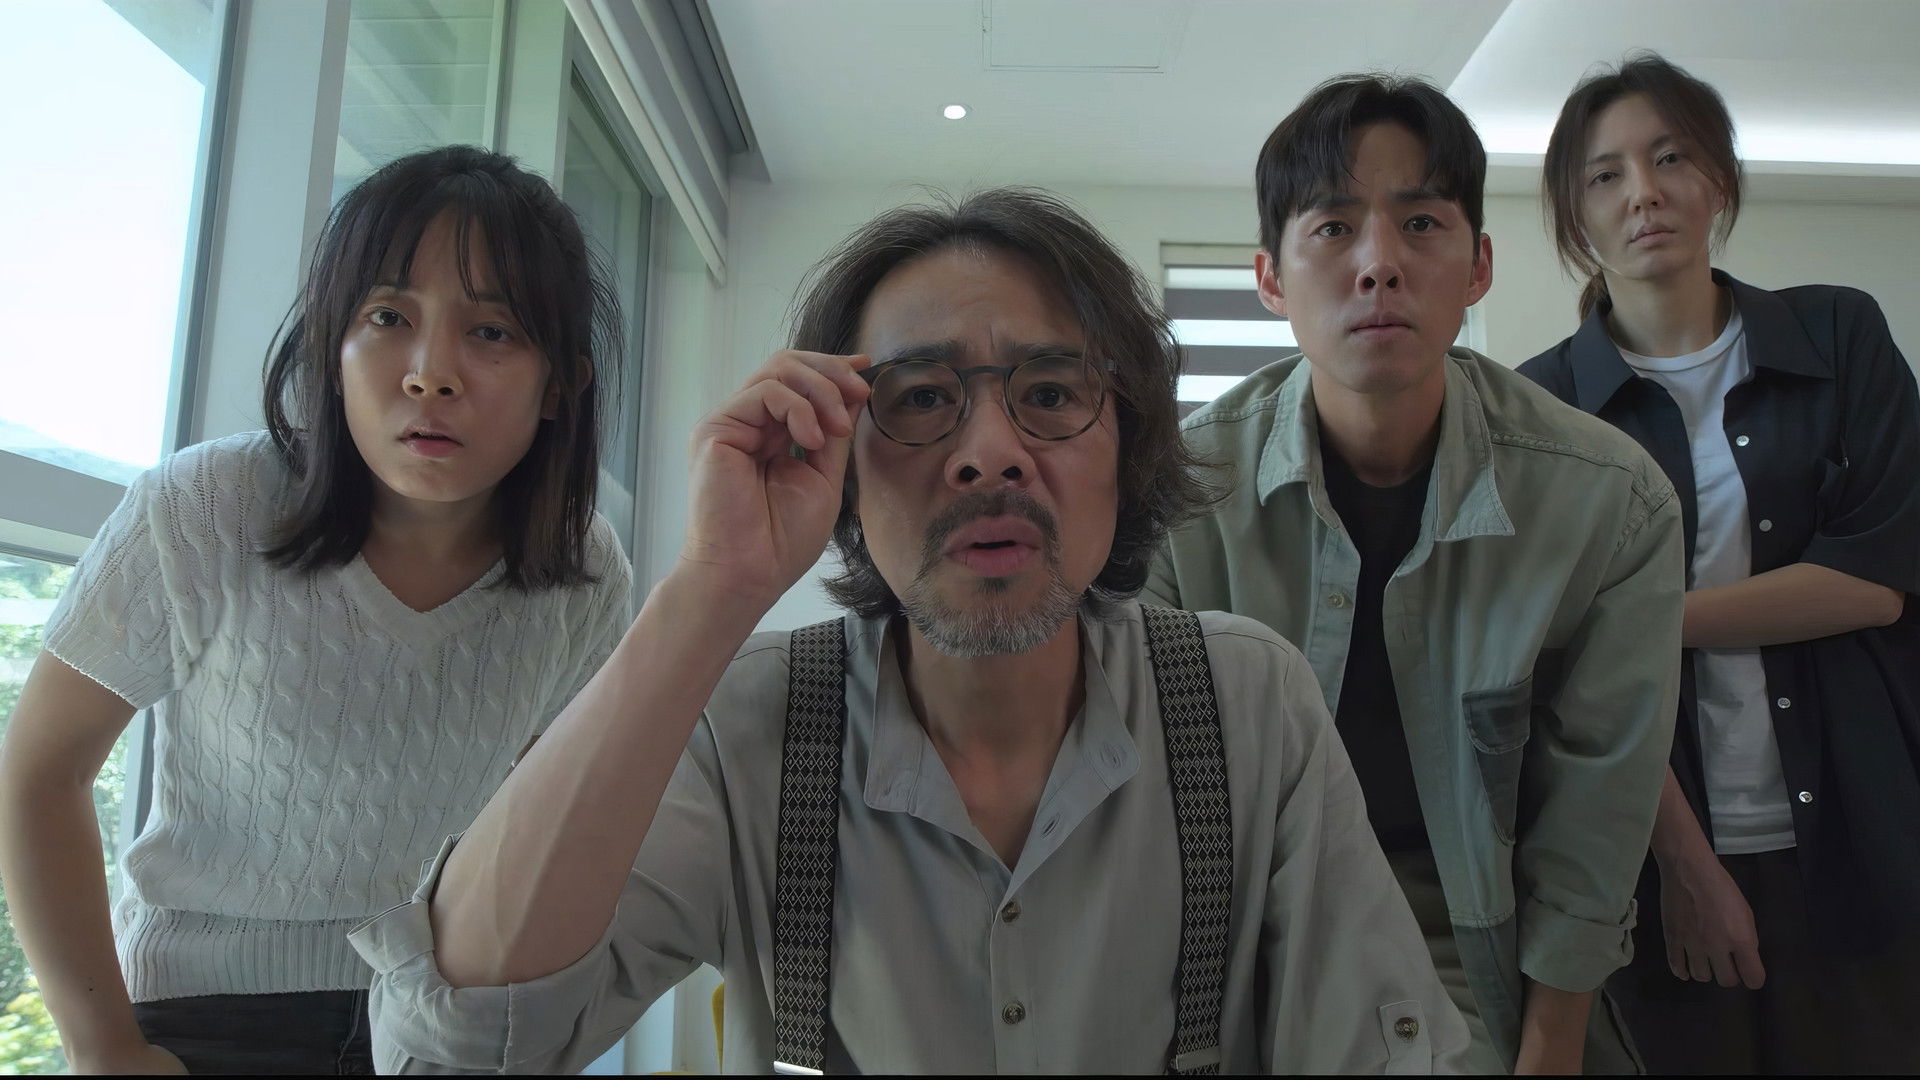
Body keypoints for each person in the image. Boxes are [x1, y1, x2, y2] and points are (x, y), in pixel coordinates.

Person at [349, 188, 1471, 1074]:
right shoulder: (746, 728)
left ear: (1127, 448)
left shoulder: (1248, 703)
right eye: (922, 398)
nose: (990, 454)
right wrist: (709, 589)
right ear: (837, 457)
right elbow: (455, 1044)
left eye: (1050, 392)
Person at [0, 146, 634, 1075]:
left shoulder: (584, 573)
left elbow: (550, 835)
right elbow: (38, 772)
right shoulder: (204, 508)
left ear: (560, 386)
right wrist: (103, 1049)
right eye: (388, 318)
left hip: (443, 1016)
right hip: (199, 1017)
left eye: (492, 331)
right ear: (333, 351)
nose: (430, 374)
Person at [1145, 75, 1685, 1074]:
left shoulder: (1609, 501)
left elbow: (1599, 811)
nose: (1379, 265)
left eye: (1422, 223)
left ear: (1479, 266)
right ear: (1270, 278)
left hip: (1470, 923)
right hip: (1231, 925)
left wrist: (1550, 1050)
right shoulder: (1176, 493)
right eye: (1333, 228)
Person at [1518, 53, 1920, 1074]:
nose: (1643, 193)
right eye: (1605, 175)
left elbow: (1874, 581)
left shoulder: (1840, 335)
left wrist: (1631, 620)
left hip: (1866, 832)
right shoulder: (1540, 408)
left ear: (1720, 180)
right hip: (1654, 855)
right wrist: (1688, 867)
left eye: (1671, 158)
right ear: (1574, 215)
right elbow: (1563, 674)